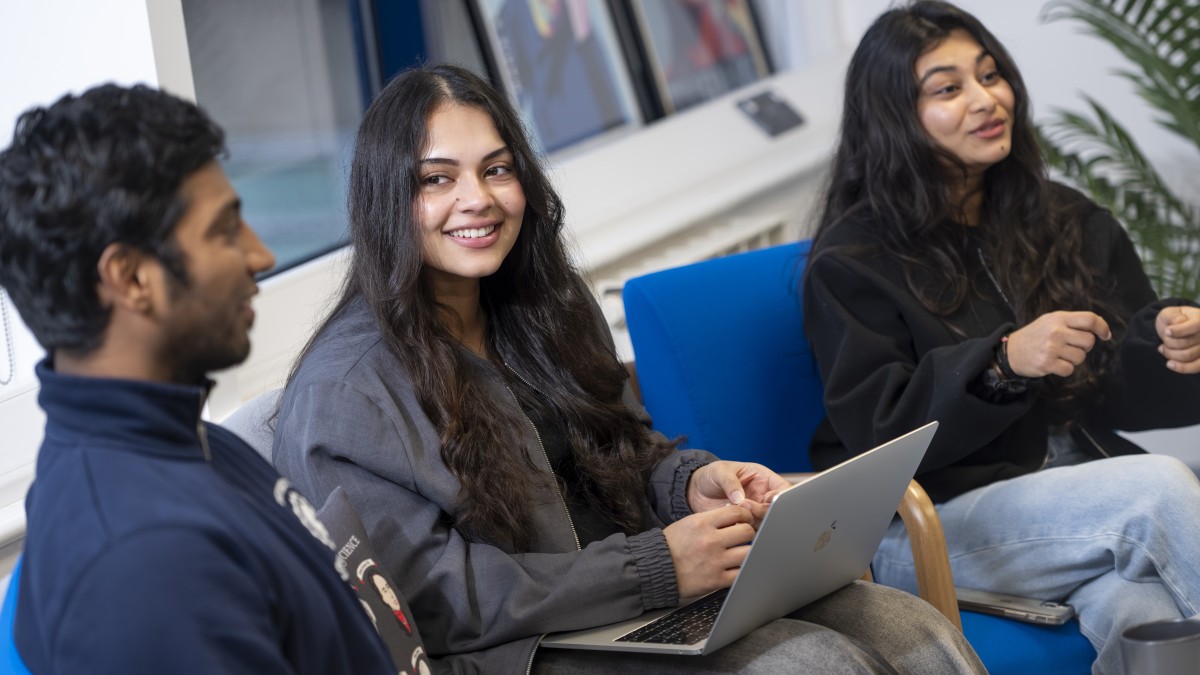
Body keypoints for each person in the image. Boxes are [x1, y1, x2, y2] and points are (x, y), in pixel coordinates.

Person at [271, 62, 984, 675]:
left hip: (644, 601)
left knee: (917, 635)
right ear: (385, 199)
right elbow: (437, 599)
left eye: (496, 169)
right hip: (526, 650)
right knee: (814, 665)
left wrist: (693, 483)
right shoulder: (346, 391)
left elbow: (629, 451)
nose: (478, 199)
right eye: (437, 178)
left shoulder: (542, 306)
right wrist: (654, 568)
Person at [802, 2, 1200, 673]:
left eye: (991, 75)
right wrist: (1002, 363)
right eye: (948, 88)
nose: (987, 100)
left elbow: (1124, 400)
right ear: (896, 116)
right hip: (929, 524)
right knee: (1161, 489)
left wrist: (1170, 345)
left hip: (1073, 500)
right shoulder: (852, 262)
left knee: (1142, 614)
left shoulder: (1068, 217)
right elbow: (880, 436)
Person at [0, 84, 396, 674]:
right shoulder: (144, 565)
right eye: (224, 231)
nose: (260, 256)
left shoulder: (191, 444)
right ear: (132, 279)